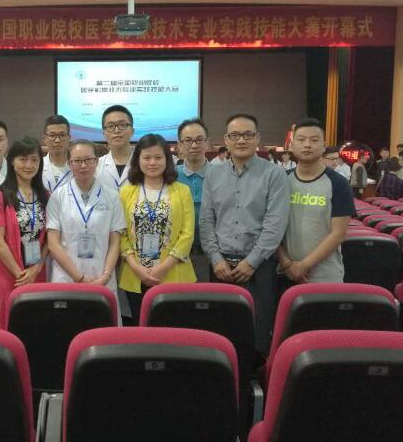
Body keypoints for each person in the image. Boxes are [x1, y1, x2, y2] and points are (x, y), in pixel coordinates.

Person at [200, 113, 289, 355]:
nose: (241, 140)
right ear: (226, 140)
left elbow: (275, 224)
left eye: (248, 134)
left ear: (258, 138)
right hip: (220, 267)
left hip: (259, 268)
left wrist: (252, 262)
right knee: (221, 332)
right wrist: (215, 259)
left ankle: (254, 375)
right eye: (235, 135)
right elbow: (206, 220)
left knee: (257, 336)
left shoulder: (274, 174)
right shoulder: (213, 173)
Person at [119, 133, 196, 319]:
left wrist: (163, 268)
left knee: (172, 328)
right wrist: (136, 267)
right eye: (147, 157)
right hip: (135, 274)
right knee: (140, 327)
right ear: (137, 160)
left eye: (158, 157)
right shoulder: (126, 191)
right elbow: (121, 233)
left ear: (167, 160)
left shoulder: (182, 191)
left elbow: (187, 234)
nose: (152, 162)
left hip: (174, 273)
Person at [277, 119, 353, 291]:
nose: (307, 145)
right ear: (292, 145)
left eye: (314, 140)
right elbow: (271, 227)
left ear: (324, 146)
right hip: (284, 273)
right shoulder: (281, 180)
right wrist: (287, 264)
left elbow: (338, 233)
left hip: (325, 276)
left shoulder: (338, 183)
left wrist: (303, 266)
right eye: (301, 139)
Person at [46, 140, 125, 297]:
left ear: (96, 162)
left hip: (101, 277)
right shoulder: (58, 197)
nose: (83, 166)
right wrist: (79, 277)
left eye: (88, 160)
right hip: (67, 277)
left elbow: (115, 243)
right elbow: (53, 244)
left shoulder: (112, 197)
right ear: (69, 164)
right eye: (77, 161)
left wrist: (106, 276)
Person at [0, 137, 49, 328]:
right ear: (12, 161)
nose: (29, 165)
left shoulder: (46, 196)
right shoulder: (0, 196)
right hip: (9, 274)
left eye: (34, 160)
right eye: (23, 159)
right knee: (9, 322)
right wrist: (20, 275)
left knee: (36, 324)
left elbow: (49, 239)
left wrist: (37, 267)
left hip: (36, 271)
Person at [176, 118, 210, 281]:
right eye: (188, 140)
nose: (194, 145)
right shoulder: (170, 175)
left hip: (212, 256)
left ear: (207, 143)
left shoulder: (222, 174)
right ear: (179, 145)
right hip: (177, 255)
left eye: (199, 140)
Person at [95, 105, 134, 193]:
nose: (116, 130)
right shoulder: (96, 166)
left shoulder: (146, 163)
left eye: (122, 125)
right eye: (110, 126)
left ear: (132, 131)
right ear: (104, 133)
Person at [41, 115, 73, 194]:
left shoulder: (78, 166)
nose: (57, 140)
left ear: (69, 138)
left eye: (62, 135)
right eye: (52, 135)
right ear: (44, 139)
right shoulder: (37, 166)